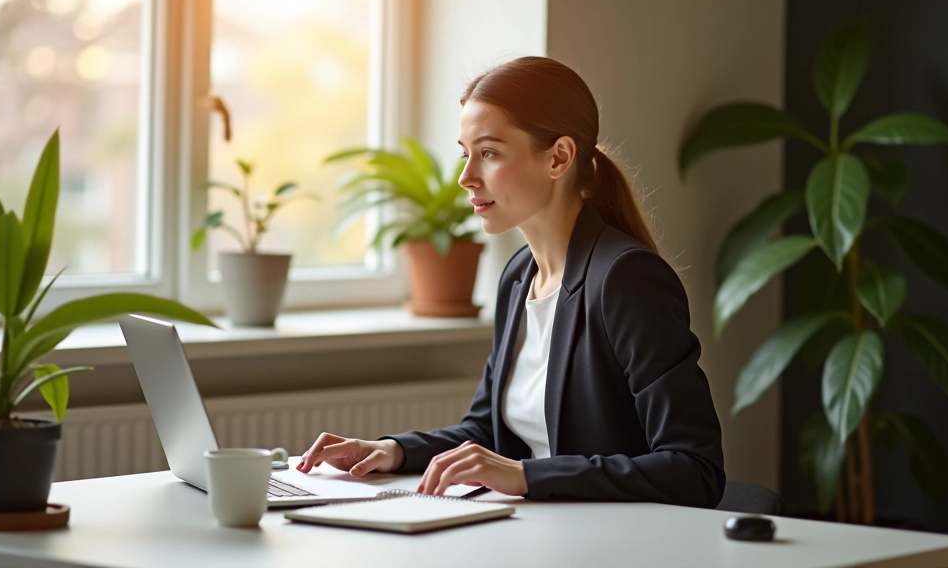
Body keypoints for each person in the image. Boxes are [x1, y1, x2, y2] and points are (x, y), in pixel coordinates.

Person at [297, 56, 725, 507]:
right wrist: (390, 450)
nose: (466, 178)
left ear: (558, 157)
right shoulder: (520, 276)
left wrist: (526, 475)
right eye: (466, 153)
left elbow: (694, 469)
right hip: (539, 532)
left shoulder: (626, 279)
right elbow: (486, 432)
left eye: (489, 153)